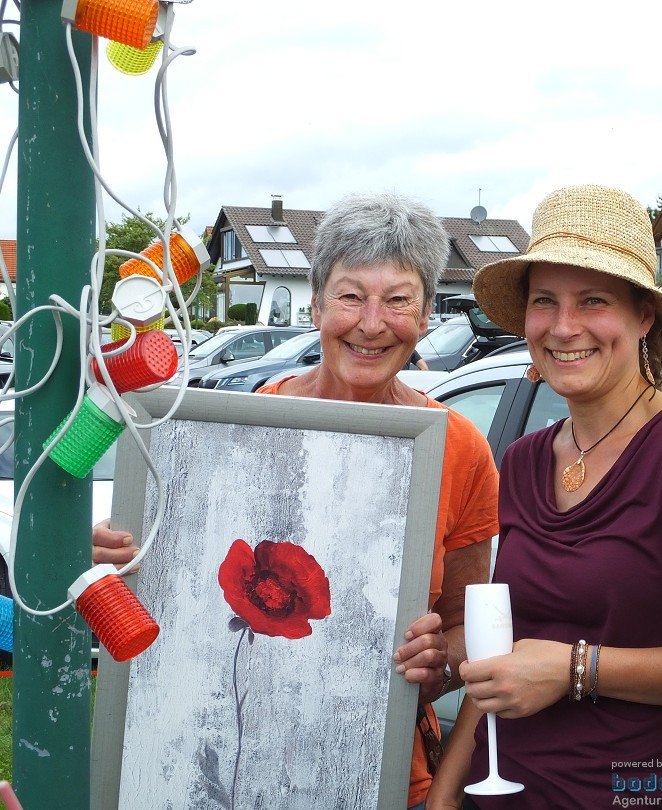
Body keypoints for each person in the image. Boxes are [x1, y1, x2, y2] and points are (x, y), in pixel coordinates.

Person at [94, 192, 499, 810]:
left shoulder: (461, 450)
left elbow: (464, 626)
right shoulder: (232, 429)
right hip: (219, 764)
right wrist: (124, 557)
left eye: (398, 301)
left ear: (424, 318)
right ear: (314, 305)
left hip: (381, 772)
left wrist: (438, 662)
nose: (371, 323)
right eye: (350, 295)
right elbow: (177, 580)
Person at [425, 185, 662, 809]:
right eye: (545, 302)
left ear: (644, 316)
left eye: (594, 301)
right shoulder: (526, 459)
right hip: (499, 790)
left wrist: (572, 670)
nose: (565, 327)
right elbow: (499, 665)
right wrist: (445, 798)